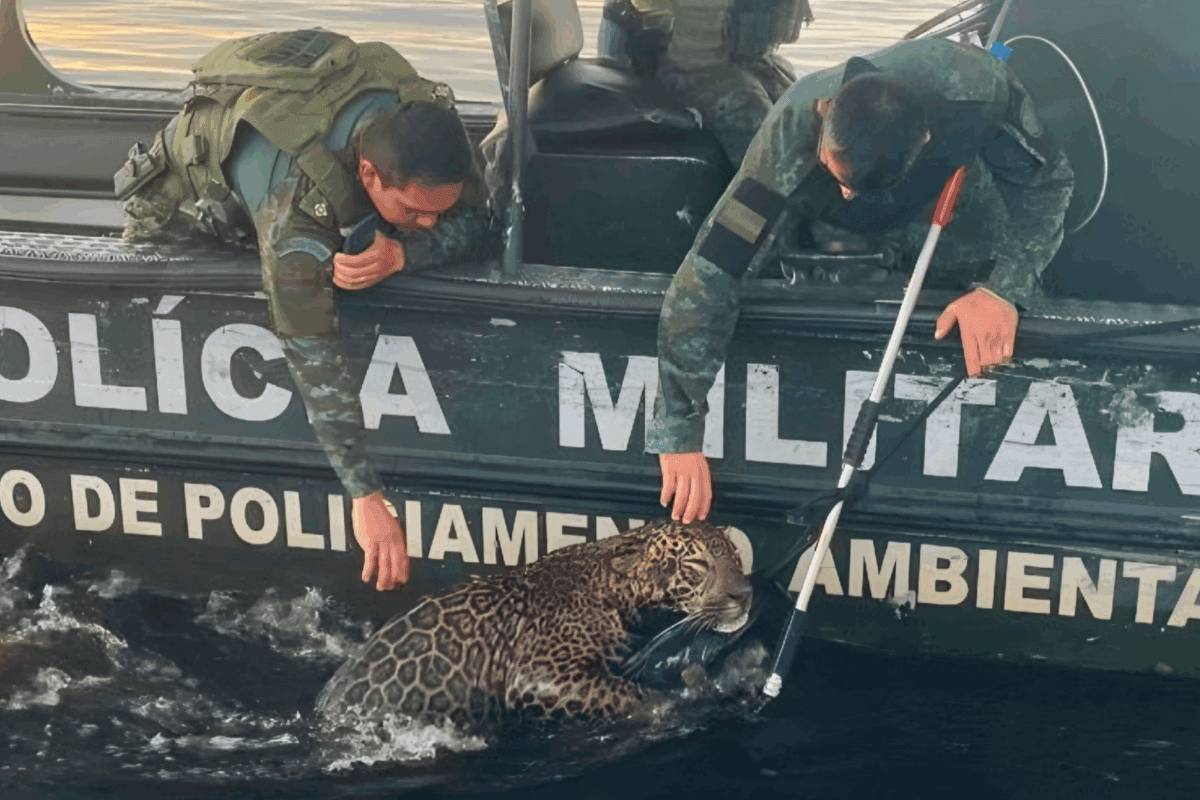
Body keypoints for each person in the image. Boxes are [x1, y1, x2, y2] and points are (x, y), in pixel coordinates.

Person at [114, 29, 491, 590]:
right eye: (415, 211)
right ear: (370, 177)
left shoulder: (430, 127)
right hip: (187, 205)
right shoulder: (295, 197)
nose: (433, 219)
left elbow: (480, 223)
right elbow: (308, 340)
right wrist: (365, 495)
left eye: (439, 208)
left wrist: (405, 250)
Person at [647, 37, 1075, 523]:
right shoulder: (790, 130)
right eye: (841, 175)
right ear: (827, 114)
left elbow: (1048, 185)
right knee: (768, 253)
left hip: (945, 198)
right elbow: (713, 269)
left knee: (1010, 299)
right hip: (822, 208)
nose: (848, 191)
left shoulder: (976, 89)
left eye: (855, 183)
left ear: (925, 138)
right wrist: (679, 429)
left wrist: (1004, 289)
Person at [598, 0, 813, 165]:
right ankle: (751, 219)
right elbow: (694, 56)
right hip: (667, 59)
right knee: (766, 138)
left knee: (801, 112)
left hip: (723, 58)